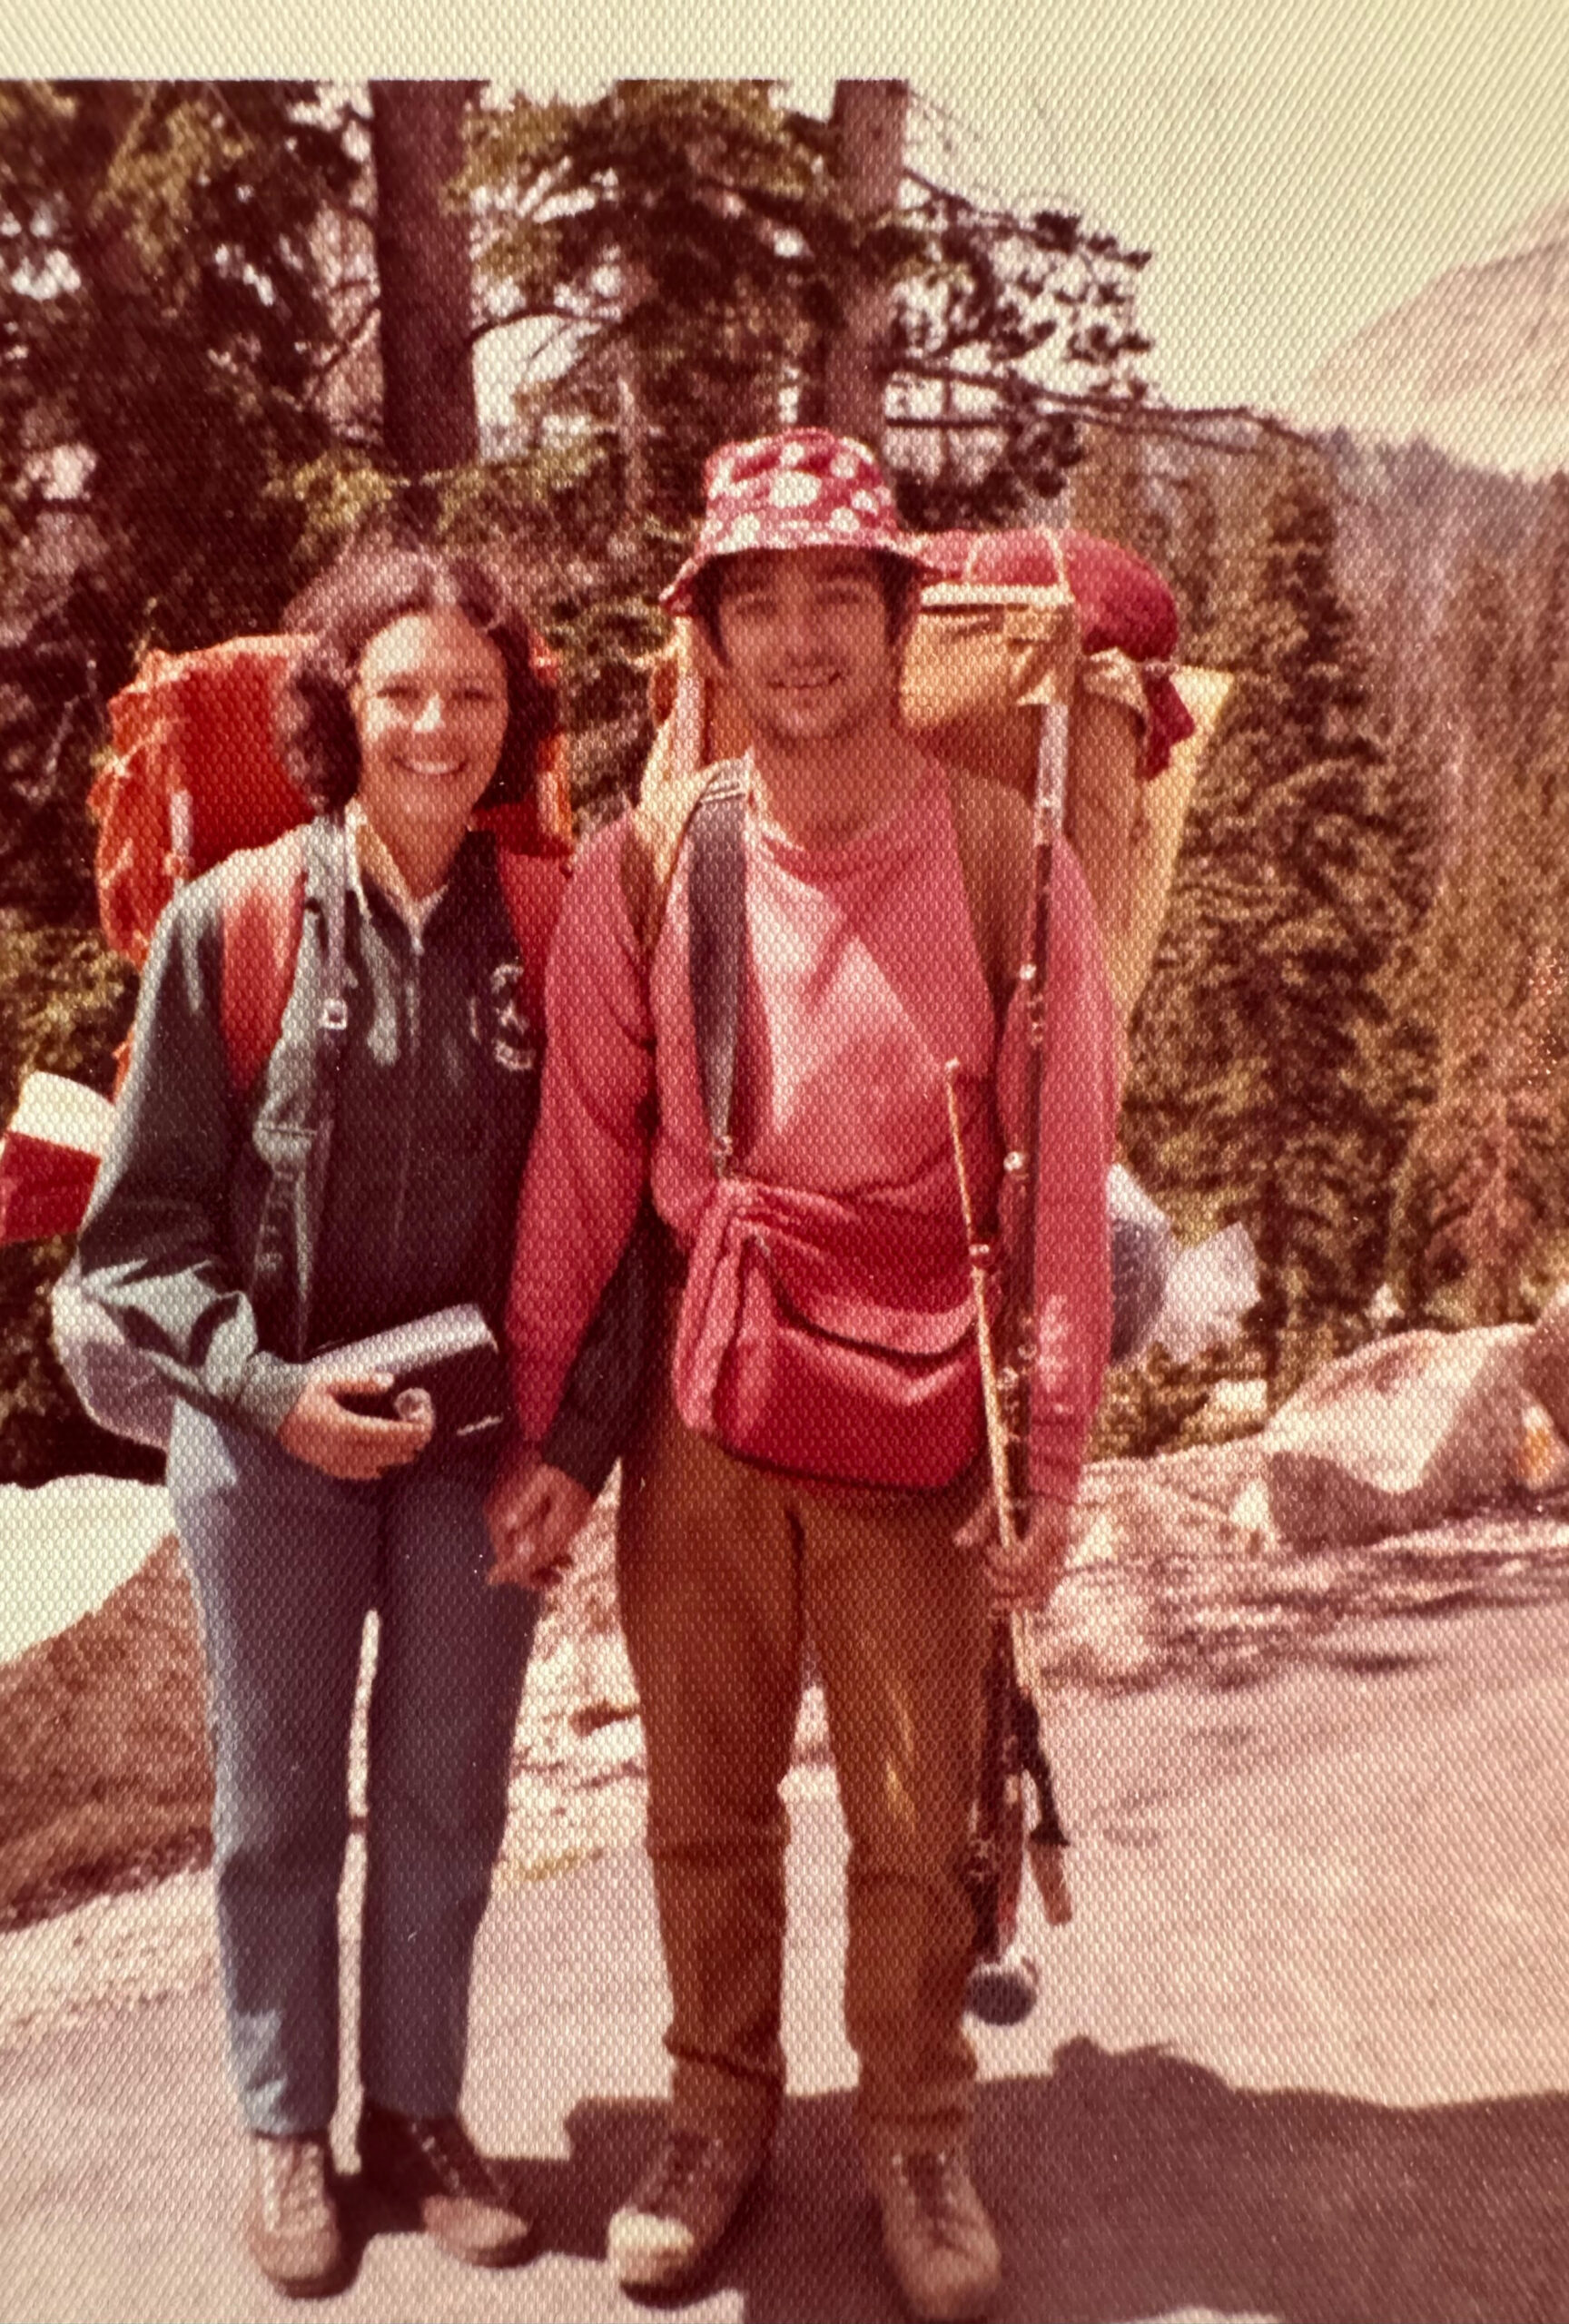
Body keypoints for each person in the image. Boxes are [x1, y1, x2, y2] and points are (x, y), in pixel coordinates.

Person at [488, 428, 1120, 2322]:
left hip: (930, 1404)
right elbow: (587, 1163)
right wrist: (543, 1429)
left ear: (898, 617)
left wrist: (1059, 1458)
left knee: (922, 1811)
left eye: (833, 594)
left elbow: (1068, 1182)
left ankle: (918, 2133)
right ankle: (718, 2109)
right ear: (710, 638)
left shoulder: (1016, 868)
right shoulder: (652, 861)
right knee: (704, 1787)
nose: (797, 636)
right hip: (706, 1388)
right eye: (753, 600)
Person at [76, 528, 623, 2298]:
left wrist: (563, 1439)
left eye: (473, 694)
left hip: (476, 1450)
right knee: (278, 1800)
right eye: (401, 691)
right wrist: (269, 1390)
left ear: (509, 715)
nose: (437, 726)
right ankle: (283, 2125)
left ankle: (421, 2115)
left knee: (453, 1791)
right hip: (266, 1441)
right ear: (340, 707)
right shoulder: (229, 925)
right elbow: (136, 1241)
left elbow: (610, 1219)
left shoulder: (552, 930)